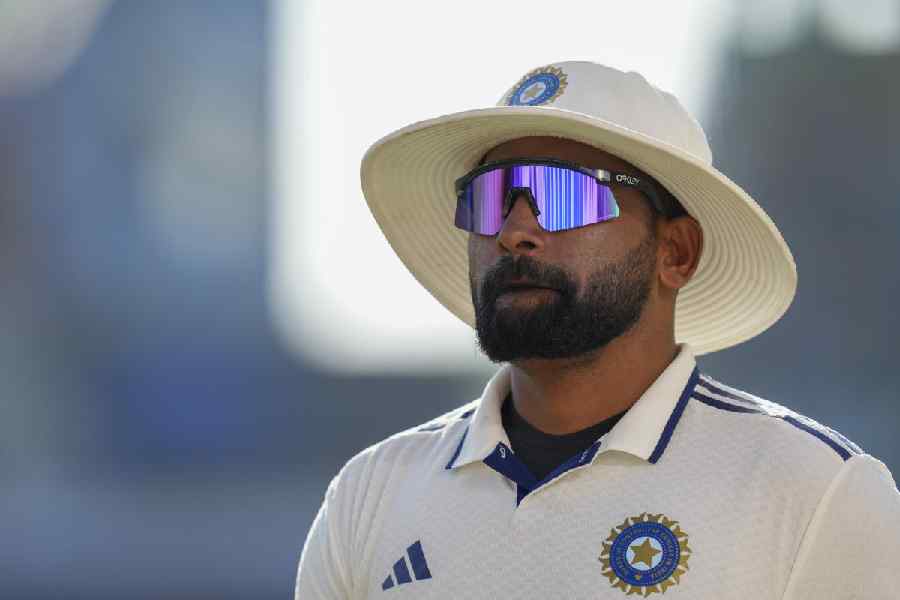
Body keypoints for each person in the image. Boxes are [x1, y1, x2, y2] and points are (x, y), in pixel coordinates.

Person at [295, 61, 900, 599]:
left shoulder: (815, 492)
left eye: (563, 195)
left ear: (676, 252)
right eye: (489, 198)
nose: (514, 232)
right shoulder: (370, 495)